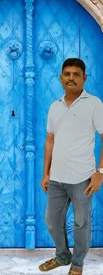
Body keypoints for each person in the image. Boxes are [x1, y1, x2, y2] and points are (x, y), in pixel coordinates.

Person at [39, 58, 103, 275]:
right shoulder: (54, 107)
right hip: (56, 179)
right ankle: (62, 256)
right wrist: (45, 173)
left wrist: (100, 172)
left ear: (84, 78)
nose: (71, 78)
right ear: (60, 78)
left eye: (76, 74)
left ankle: (77, 265)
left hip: (83, 178)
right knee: (52, 220)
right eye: (67, 74)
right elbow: (50, 141)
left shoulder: (94, 104)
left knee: (81, 223)